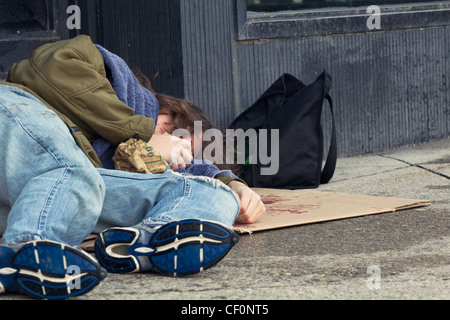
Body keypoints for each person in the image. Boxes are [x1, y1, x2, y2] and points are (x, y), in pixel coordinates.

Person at [0, 35, 264, 300]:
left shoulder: (94, 176)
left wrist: (232, 185)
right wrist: (144, 132)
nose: (174, 145)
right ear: (167, 109)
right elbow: (51, 66)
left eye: (185, 151)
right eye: (175, 132)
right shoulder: (116, 77)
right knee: (77, 176)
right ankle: (25, 246)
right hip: (17, 112)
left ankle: (145, 242)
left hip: (40, 190)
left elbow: (193, 176)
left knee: (210, 194)